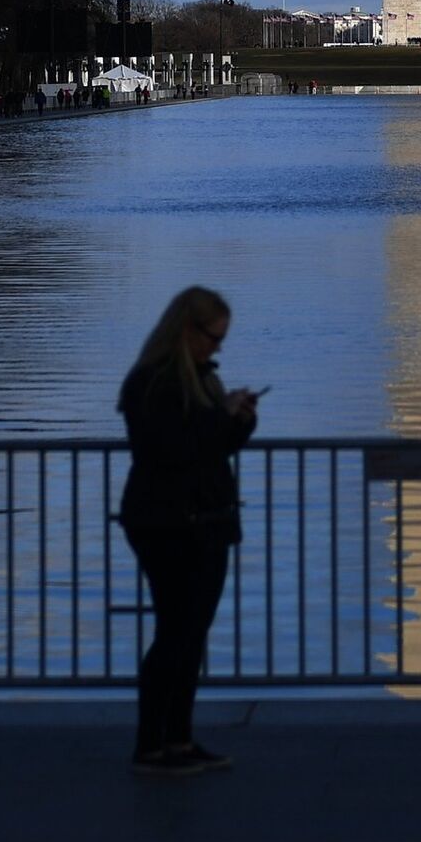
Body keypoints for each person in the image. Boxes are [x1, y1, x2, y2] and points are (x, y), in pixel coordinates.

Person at [116, 286, 261, 777]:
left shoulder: (200, 380)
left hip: (204, 520)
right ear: (187, 330)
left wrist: (240, 420)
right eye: (213, 337)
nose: (218, 347)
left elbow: (212, 447)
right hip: (168, 522)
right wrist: (221, 419)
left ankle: (176, 738)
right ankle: (151, 744)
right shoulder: (151, 384)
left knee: (189, 634)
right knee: (176, 633)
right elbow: (171, 450)